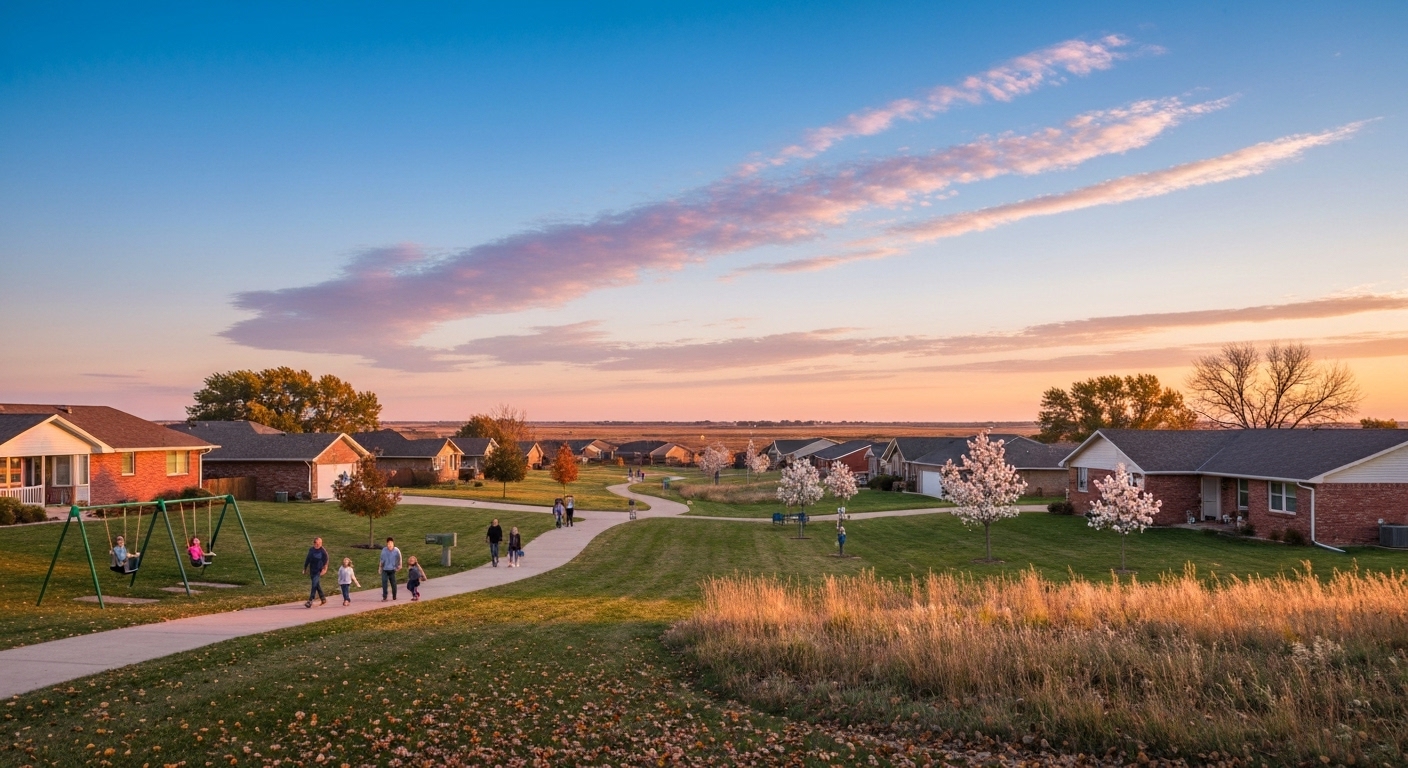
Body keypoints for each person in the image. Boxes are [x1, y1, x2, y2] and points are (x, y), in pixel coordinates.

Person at [303, 537, 329, 608]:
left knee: (314, 585)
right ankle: (323, 598)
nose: (317, 545)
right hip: (312, 570)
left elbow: (326, 561)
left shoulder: (323, 551)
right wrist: (305, 568)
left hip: (318, 571)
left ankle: (310, 600)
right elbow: (308, 559)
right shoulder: (311, 550)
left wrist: (325, 569)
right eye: (316, 543)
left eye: (319, 543)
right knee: (316, 584)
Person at [380, 537, 402, 601]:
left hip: (392, 570)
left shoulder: (396, 550)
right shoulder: (384, 550)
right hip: (385, 570)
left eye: (391, 543)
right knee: (384, 583)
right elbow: (381, 560)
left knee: (393, 583)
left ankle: (394, 596)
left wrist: (399, 566)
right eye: (388, 543)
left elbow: (399, 558)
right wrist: (380, 568)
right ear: (387, 544)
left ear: (393, 543)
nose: (390, 545)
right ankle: (385, 597)